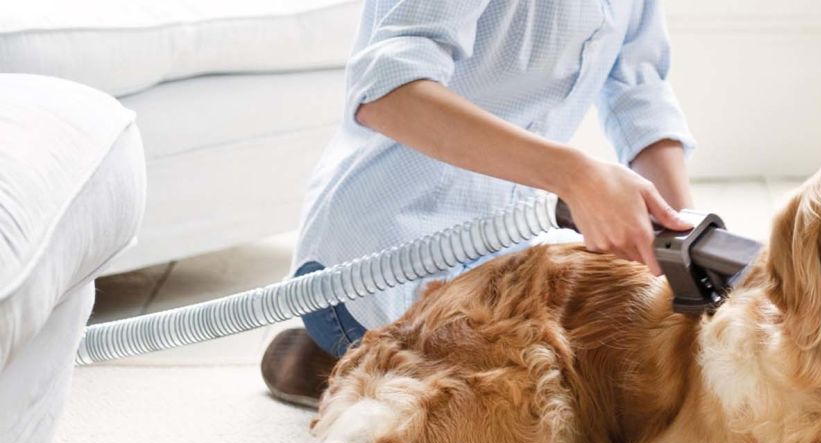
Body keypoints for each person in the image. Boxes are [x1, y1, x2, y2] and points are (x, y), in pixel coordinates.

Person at [262, 0, 697, 407]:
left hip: (505, 248)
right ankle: (344, 361)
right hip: (378, 261)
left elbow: (640, 92)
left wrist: (686, 245)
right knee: (542, 411)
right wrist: (575, 176)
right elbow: (387, 93)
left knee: (654, 366)